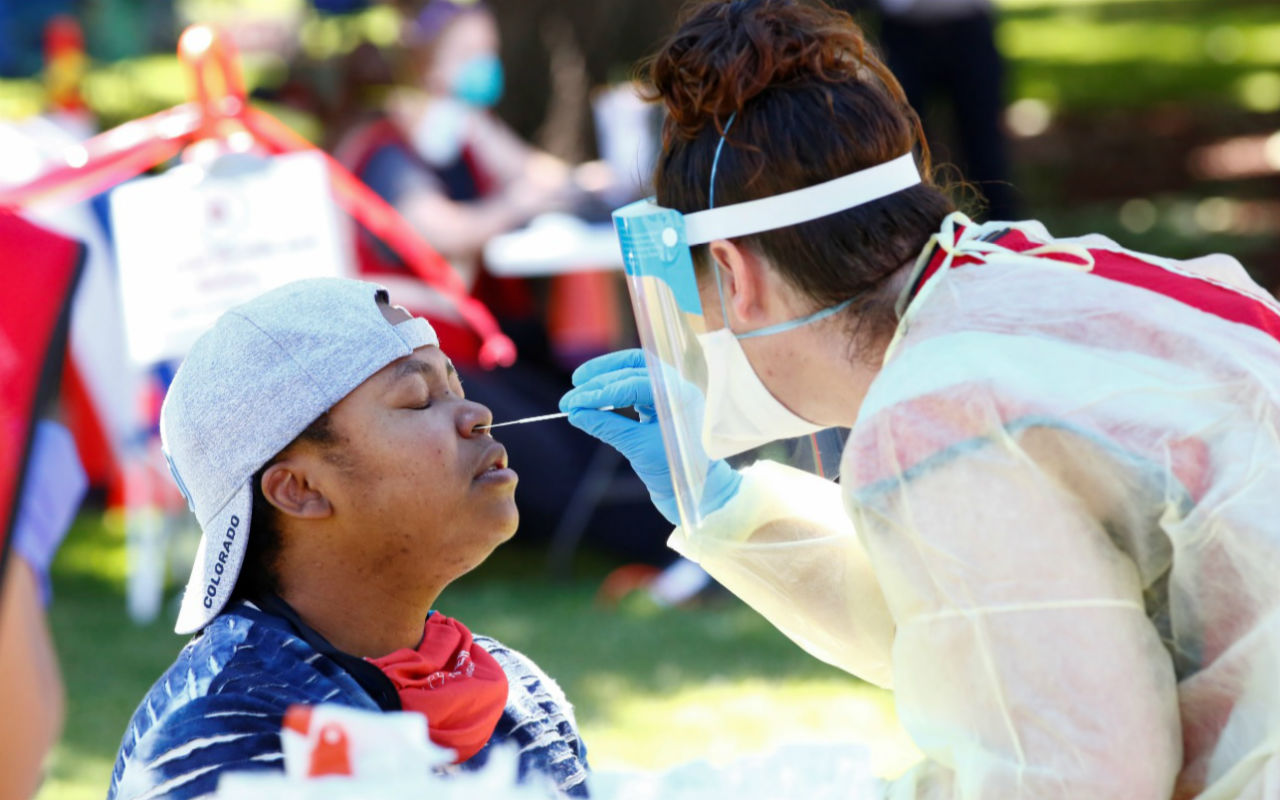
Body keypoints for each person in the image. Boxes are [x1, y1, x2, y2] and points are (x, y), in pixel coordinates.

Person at [561, 1, 1280, 797]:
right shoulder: (1033, 273)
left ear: (734, 276)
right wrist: (729, 512)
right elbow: (997, 626)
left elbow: (1070, 774)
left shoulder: (937, 412)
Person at [108, 278, 588, 800]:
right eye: (419, 400)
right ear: (299, 489)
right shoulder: (224, 734)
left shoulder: (516, 690)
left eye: (457, 390)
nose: (477, 417)